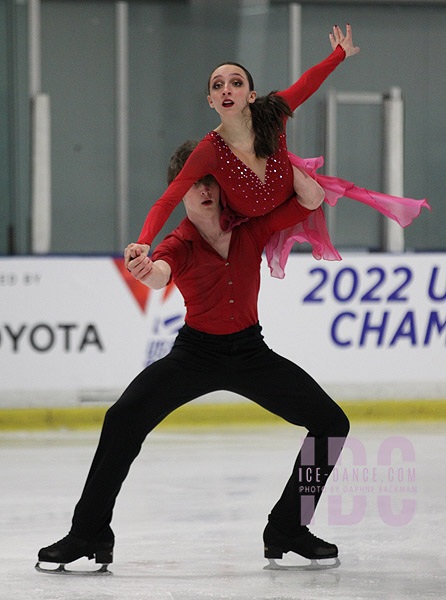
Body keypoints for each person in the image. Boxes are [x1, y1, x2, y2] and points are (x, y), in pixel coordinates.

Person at [37, 140, 349, 573]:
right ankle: (88, 533)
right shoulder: (179, 242)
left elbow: (310, 199)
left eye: (211, 181)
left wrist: (269, 150)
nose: (204, 190)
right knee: (122, 419)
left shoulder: (251, 226)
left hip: (250, 352)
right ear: (177, 192)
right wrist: (144, 269)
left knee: (332, 423)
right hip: (196, 354)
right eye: (193, 183)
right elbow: (159, 274)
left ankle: (288, 528)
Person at [131, 24, 429, 279]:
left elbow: (306, 84)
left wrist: (339, 54)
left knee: (315, 194)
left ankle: (289, 166)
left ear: (251, 95)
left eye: (236, 83)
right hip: (249, 221)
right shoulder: (209, 151)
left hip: (286, 198)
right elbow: (169, 198)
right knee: (224, 246)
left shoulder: (273, 112)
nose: (226, 90)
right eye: (218, 86)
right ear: (211, 100)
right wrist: (145, 241)